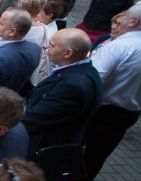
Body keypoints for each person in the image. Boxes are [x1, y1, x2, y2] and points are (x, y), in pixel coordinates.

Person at [60, 3, 141, 181]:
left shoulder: (119, 46)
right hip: (128, 112)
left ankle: (63, 177)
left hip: (101, 108)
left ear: (134, 21)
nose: (118, 22)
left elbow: (91, 79)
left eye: (123, 18)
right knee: (98, 154)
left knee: (72, 143)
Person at [23, 29, 102, 160]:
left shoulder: (73, 86)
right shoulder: (85, 69)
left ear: (67, 53)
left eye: (52, 45)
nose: (46, 46)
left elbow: (37, 118)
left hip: (41, 152)